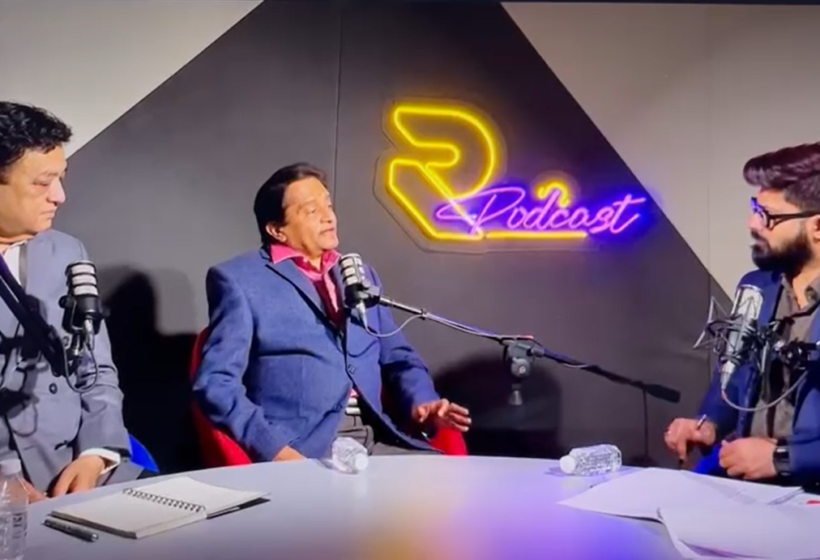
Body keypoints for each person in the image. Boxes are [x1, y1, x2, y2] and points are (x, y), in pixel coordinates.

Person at [193, 162, 471, 462]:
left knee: (451, 483)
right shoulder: (241, 280)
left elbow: (399, 359)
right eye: (312, 210)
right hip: (302, 448)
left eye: (328, 205)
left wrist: (423, 403)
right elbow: (216, 383)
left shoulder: (359, 275)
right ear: (277, 230)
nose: (329, 217)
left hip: (376, 438)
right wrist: (274, 450)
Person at [0, 101, 144, 500]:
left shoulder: (67, 251)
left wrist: (97, 455)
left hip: (80, 470)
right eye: (42, 183)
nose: (59, 197)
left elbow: (96, 368)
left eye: (61, 179)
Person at [665, 142, 820, 484]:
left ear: (818, 228)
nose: (753, 223)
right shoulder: (756, 287)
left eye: (768, 215)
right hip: (748, 490)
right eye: (754, 208)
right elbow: (735, 377)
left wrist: (783, 458)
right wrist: (709, 423)